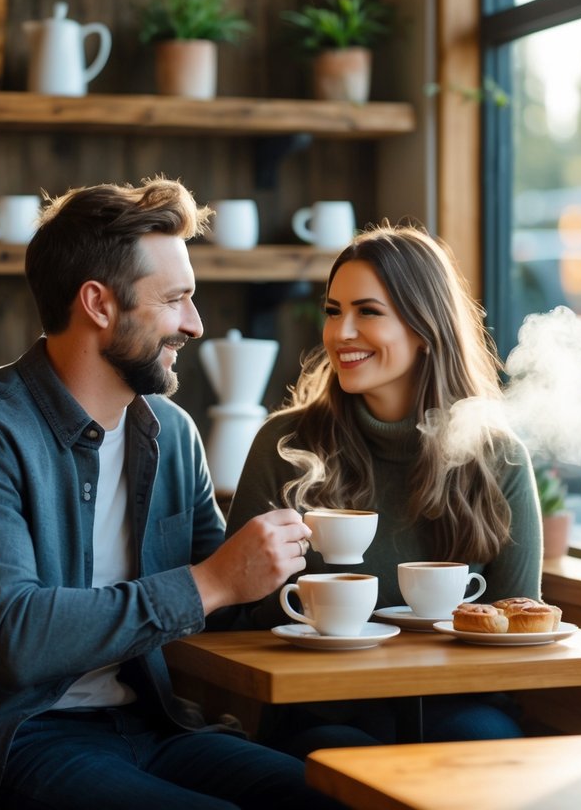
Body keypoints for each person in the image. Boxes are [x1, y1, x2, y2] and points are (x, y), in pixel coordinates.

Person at [0, 177, 341, 810]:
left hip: (154, 723)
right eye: (176, 300)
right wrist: (211, 581)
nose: (195, 324)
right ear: (98, 304)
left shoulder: (171, 434)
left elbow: (230, 610)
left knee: (336, 797)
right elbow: (15, 637)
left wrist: (312, 570)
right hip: (17, 740)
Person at [227, 223, 543, 756]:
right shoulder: (285, 444)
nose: (341, 332)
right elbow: (237, 617)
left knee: (479, 744)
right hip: (319, 709)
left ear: (424, 329)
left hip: (458, 706)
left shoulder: (496, 456)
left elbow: (517, 621)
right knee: (336, 755)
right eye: (333, 311)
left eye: (368, 312)